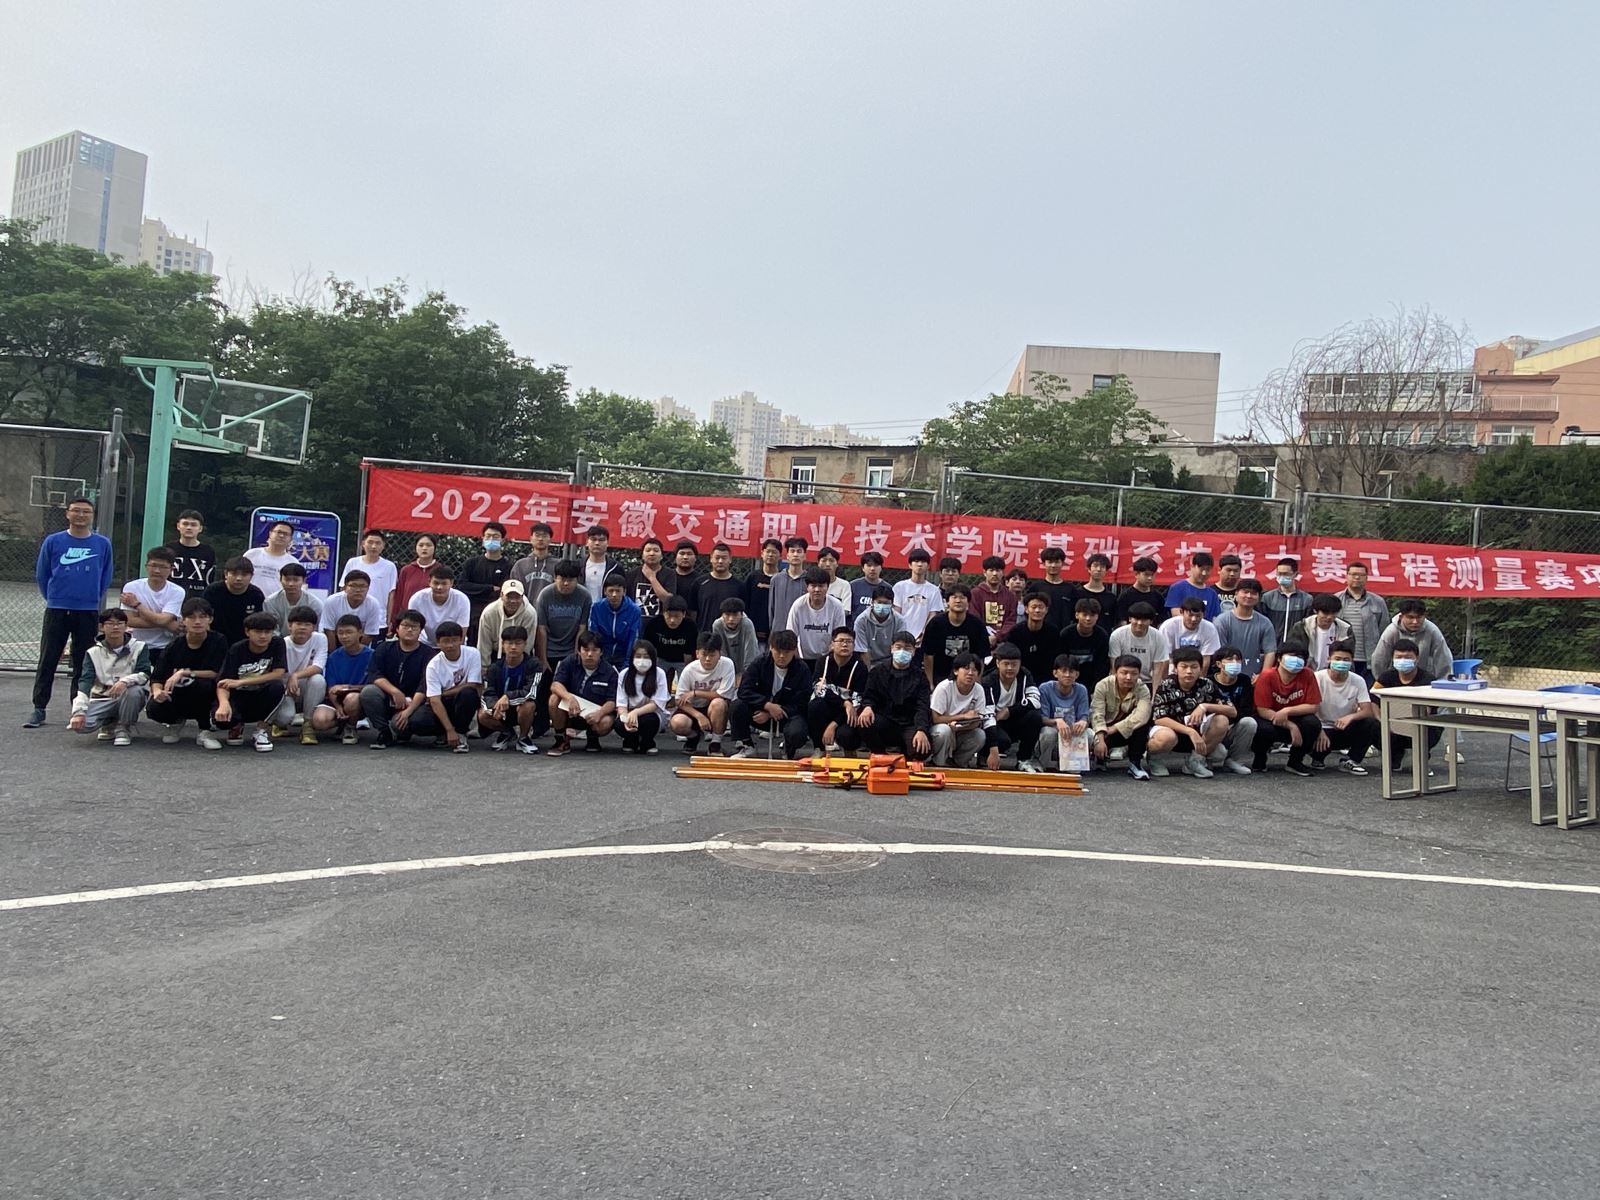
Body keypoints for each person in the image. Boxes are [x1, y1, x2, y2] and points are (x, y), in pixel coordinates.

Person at [27, 495, 114, 728]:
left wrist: (91, 598)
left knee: (83, 661)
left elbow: (105, 575)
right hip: (57, 609)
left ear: (92, 516)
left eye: (86, 511)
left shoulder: (102, 544)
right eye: (76, 510)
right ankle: (39, 708)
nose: (81, 515)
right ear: (68, 514)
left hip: (87, 610)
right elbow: (42, 574)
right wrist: (54, 597)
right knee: (48, 658)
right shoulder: (54, 541)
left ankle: (78, 708)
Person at [146, 599, 229, 748]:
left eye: (202, 617)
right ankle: (175, 722)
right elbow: (157, 676)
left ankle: (205, 730)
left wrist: (184, 673)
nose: (197, 622)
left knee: (203, 686)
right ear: (183, 620)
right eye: (191, 617)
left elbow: (217, 673)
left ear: (210, 619)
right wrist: (157, 692)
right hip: (179, 692)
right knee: (154, 707)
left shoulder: (218, 641)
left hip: (207, 691)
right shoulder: (174, 645)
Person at [838, 631, 932, 759]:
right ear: (891, 648)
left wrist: (921, 729)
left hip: (909, 724)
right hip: (885, 721)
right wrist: (868, 707)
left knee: (922, 749)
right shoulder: (878, 671)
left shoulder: (920, 676)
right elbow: (869, 695)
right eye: (898, 647)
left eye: (907, 648)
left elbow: (922, 706)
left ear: (914, 651)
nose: (902, 651)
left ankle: (906, 756)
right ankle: (880, 755)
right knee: (865, 721)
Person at [67, 609, 152, 747]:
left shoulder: (139, 647)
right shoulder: (93, 652)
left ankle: (124, 728)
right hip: (102, 697)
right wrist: (78, 711)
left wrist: (125, 681)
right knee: (81, 726)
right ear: (101, 627)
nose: (116, 627)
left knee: (134, 692)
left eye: (120, 623)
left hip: (127, 694)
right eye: (110, 623)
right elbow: (85, 681)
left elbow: (145, 674)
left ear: (126, 626)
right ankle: (108, 722)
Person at [1147, 646, 1234, 778]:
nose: (1189, 671)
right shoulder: (1166, 685)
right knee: (1166, 738)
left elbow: (1232, 711)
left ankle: (1195, 761)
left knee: (1222, 724)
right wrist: (1190, 731)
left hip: (1199, 733)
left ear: (1200, 668)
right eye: (1184, 666)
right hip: (1172, 731)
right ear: (1176, 668)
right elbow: (1159, 718)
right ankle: (1154, 759)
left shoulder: (1206, 684)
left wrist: (1204, 706)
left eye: (1194, 667)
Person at [730, 628, 815, 758]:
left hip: (787, 715)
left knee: (798, 731)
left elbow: (803, 701)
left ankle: (789, 749)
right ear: (771, 648)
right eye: (778, 651)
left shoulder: (802, 669)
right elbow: (744, 690)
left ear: (794, 651)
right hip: (759, 712)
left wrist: (774, 713)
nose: (781, 656)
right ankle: (746, 744)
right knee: (737, 706)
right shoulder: (759, 663)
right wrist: (767, 705)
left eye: (786, 652)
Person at [532, 559, 594, 734]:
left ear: (577, 580)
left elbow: (582, 628)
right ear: (555, 578)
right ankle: (541, 725)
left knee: (571, 688)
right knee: (544, 688)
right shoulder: (545, 595)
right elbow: (541, 629)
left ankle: (572, 726)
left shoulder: (584, 596)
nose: (566, 583)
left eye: (571, 580)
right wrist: (543, 658)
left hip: (570, 649)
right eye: (562, 579)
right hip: (550, 648)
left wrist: (576, 655)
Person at [361, 609, 437, 749]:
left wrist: (409, 710)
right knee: (369, 692)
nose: (410, 630)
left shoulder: (429, 654)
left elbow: (425, 684)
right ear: (397, 628)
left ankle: (405, 730)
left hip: (416, 701)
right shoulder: (384, 648)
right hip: (389, 697)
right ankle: (384, 732)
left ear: (421, 631)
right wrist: (394, 692)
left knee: (416, 721)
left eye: (414, 627)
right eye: (405, 625)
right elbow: (374, 674)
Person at [213, 612, 289, 753]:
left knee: (277, 686)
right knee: (221, 720)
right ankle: (236, 725)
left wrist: (241, 682)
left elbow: (279, 673)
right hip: (240, 696)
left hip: (262, 695)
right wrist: (223, 704)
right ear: (247, 632)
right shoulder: (237, 649)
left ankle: (261, 730)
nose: (263, 636)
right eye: (258, 632)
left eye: (267, 632)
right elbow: (223, 682)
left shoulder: (277, 644)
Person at [1250, 639, 1321, 776]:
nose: (1296, 660)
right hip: (1270, 719)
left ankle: (1295, 761)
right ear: (1279, 658)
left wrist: (1287, 711)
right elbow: (1262, 710)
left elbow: (1313, 706)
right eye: (1292, 655)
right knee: (1262, 728)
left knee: (1312, 723)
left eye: (1300, 657)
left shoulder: (1308, 674)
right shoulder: (1267, 676)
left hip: (1296, 718)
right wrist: (1290, 726)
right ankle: (1260, 758)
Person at [1371, 637, 1443, 772]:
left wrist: (1405, 724)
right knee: (1372, 726)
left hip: (1419, 723)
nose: (1403, 660)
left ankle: (1421, 756)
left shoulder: (1428, 679)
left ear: (1417, 658)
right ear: (1392, 658)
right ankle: (1394, 755)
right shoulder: (1386, 677)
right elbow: (1374, 698)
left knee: (1431, 728)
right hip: (1390, 723)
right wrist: (1382, 721)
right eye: (1399, 657)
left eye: (1408, 657)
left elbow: (1428, 709)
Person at [409, 620, 481, 753]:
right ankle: (444, 732)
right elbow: (434, 700)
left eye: (454, 640)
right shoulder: (433, 665)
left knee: (468, 693)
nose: (451, 645)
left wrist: (443, 693)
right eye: (446, 641)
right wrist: (449, 729)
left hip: (462, 700)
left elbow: (473, 684)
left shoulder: (473, 654)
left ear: (461, 640)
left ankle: (461, 733)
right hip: (443, 703)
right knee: (417, 721)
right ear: (438, 643)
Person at [1311, 639, 1381, 774]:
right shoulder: (1317, 678)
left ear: (1352, 661)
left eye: (1346, 660)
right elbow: (1310, 709)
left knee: (1371, 723)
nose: (1341, 663)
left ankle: (1352, 761)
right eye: (1337, 659)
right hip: (1321, 729)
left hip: (1344, 728)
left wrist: (1350, 717)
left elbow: (1367, 711)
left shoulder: (1358, 680)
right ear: (1329, 659)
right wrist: (1319, 730)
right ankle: (1317, 758)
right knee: (1308, 725)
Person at [548, 630, 619, 756]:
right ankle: (561, 740)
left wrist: (599, 713)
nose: (590, 654)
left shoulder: (610, 672)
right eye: (585, 650)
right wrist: (569, 698)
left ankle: (593, 738)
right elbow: (555, 685)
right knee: (554, 699)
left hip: (594, 713)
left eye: (595, 650)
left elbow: (612, 701)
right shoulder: (569, 662)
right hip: (570, 711)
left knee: (606, 722)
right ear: (579, 650)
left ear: (601, 652)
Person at [978, 642, 1044, 772]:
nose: (1010, 668)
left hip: (1013, 719)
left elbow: (1035, 701)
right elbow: (988, 717)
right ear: (998, 663)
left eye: (1014, 664)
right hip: (993, 723)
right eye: (1006, 664)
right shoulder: (988, 681)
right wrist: (993, 750)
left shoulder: (1025, 675)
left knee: (1035, 717)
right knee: (1002, 741)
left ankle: (1024, 759)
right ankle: (985, 755)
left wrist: (1009, 711)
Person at [669, 631, 735, 754]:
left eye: (712, 655)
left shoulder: (727, 664)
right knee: (677, 723)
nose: (708, 659)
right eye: (704, 655)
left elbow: (722, 694)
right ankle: (693, 736)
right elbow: (679, 700)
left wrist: (695, 692)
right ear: (697, 654)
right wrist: (699, 716)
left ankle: (715, 743)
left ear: (719, 654)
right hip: (692, 708)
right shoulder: (689, 670)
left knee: (719, 703)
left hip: (713, 707)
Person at [477, 624, 540, 753]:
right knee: (483, 714)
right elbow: (487, 693)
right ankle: (507, 733)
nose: (513, 647)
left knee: (529, 705)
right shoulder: (494, 667)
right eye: (509, 643)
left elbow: (531, 692)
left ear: (525, 644)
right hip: (501, 709)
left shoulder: (533, 664)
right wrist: (494, 706)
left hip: (523, 708)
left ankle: (523, 738)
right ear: (502, 644)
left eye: (518, 643)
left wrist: (508, 697)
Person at [270, 605, 327, 746]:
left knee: (318, 680)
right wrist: (289, 682)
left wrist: (295, 676)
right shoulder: (282, 643)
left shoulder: (320, 639)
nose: (302, 628)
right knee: (286, 717)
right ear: (289, 626)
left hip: (306, 685)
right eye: (298, 623)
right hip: (285, 687)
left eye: (307, 624)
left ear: (314, 627)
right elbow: (277, 672)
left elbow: (318, 667)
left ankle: (308, 725)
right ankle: (278, 724)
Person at [1091, 655, 1154, 780]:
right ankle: (1099, 758)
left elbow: (1142, 716)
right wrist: (1100, 739)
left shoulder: (1143, 689)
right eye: (1124, 673)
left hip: (1124, 729)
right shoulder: (1103, 685)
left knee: (1142, 724)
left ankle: (1135, 764)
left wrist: (1115, 728)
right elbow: (1097, 714)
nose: (1129, 677)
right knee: (1092, 729)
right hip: (1104, 729)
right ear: (1115, 672)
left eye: (1134, 674)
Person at [804, 626, 865, 753]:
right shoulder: (822, 662)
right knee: (815, 706)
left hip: (847, 714)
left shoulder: (860, 667)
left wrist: (834, 724)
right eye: (841, 641)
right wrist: (844, 702)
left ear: (854, 645)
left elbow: (857, 700)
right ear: (832, 644)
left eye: (849, 641)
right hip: (829, 707)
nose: (845, 644)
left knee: (846, 734)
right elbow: (819, 689)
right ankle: (819, 749)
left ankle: (850, 752)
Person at [316, 614, 373, 745]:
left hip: (360, 699)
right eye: (340, 633)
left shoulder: (372, 656)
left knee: (352, 699)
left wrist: (349, 687)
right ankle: (342, 722)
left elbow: (374, 686)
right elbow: (331, 687)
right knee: (320, 721)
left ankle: (351, 727)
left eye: (349, 632)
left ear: (360, 633)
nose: (344, 636)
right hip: (337, 698)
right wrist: (337, 706)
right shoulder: (334, 657)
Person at [929, 653, 991, 768]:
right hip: (942, 728)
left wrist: (959, 727)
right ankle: (939, 763)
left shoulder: (979, 690)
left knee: (980, 735)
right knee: (944, 731)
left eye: (974, 670)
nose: (970, 673)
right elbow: (936, 718)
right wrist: (962, 717)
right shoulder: (944, 687)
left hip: (963, 730)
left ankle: (959, 763)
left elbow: (977, 721)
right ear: (956, 671)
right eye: (966, 668)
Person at [119, 546, 185, 653]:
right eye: (153, 565)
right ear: (146, 566)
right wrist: (168, 624)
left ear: (171, 569)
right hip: (136, 645)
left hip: (165, 646)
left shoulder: (177, 591)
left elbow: (162, 620)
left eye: (163, 567)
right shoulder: (131, 587)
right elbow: (130, 620)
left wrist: (137, 605)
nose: (157, 571)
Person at [921, 584, 990, 686]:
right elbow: (928, 655)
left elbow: (981, 656)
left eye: (962, 597)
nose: (958, 601)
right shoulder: (935, 624)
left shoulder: (977, 625)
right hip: (940, 677)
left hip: (967, 677)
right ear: (947, 601)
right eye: (954, 597)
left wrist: (977, 682)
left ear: (968, 602)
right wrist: (930, 683)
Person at [1370, 598, 1454, 680]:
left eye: (1419, 617)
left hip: (1424, 678)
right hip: (1396, 679)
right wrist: (1382, 680)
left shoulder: (1432, 630)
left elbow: (1443, 658)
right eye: (1410, 617)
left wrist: (1442, 682)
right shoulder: (1391, 631)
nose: (1415, 622)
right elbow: (1379, 659)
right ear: (1401, 616)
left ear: (1424, 616)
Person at [1206, 647, 1257, 775]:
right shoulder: (1208, 682)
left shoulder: (1244, 680)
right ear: (1219, 664)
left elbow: (1246, 710)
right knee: (1219, 753)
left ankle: (1235, 760)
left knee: (1249, 722)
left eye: (1238, 659)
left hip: (1234, 724)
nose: (1234, 663)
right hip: (1214, 726)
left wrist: (1230, 720)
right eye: (1229, 659)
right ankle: (1205, 760)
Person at [1036, 655, 1090, 772]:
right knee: (1048, 733)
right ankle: (1044, 763)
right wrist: (1057, 721)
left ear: (1077, 674)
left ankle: (1074, 764)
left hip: (1072, 733)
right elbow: (1042, 718)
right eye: (1064, 671)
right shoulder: (1045, 688)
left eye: (1071, 671)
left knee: (1090, 734)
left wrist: (1083, 722)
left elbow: (1084, 716)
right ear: (1055, 673)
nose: (1067, 675)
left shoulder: (1081, 690)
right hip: (1053, 732)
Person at [615, 639, 670, 755]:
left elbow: (656, 704)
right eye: (638, 656)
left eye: (646, 657)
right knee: (619, 724)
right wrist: (626, 717)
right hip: (629, 713)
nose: (642, 660)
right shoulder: (624, 674)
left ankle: (648, 742)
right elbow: (621, 703)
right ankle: (630, 740)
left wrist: (636, 712)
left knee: (649, 721)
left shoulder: (659, 674)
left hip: (651, 713)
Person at [456, 521, 513, 633]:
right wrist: (490, 588)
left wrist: (477, 589)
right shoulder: (471, 563)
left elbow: (503, 591)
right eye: (488, 536)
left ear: (502, 540)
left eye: (495, 537)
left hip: (496, 613)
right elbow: (463, 586)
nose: (491, 539)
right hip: (472, 614)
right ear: (483, 539)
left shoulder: (508, 566)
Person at [1212, 578, 1278, 676]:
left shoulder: (1265, 623)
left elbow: (1270, 652)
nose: (1249, 596)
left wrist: (1263, 676)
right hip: (1227, 676)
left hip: (1254, 677)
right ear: (1236, 594)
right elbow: (1219, 652)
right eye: (1245, 592)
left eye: (1253, 593)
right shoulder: (1222, 621)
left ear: (1259, 597)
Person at [787, 569, 849, 669]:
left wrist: (829, 660)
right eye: (813, 586)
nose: (817, 590)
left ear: (827, 587)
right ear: (807, 587)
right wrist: (798, 662)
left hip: (828, 658)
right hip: (803, 658)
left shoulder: (837, 606)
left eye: (821, 586)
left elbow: (839, 636)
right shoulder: (798, 606)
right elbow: (791, 636)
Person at [1338, 561, 1390, 680]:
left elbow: (1384, 630)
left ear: (1366, 578)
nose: (1357, 577)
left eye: (1361, 575)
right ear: (1346, 576)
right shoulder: (1336, 599)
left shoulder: (1378, 601)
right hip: (1343, 658)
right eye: (1353, 574)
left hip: (1369, 659)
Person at [203, 556, 266, 647]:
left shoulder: (256, 595)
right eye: (234, 574)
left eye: (244, 575)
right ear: (226, 574)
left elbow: (258, 624)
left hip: (244, 644)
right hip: (215, 642)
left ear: (251, 576)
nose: (239, 578)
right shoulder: (212, 591)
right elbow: (204, 618)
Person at [339, 529, 399, 627]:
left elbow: (391, 595)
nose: (373, 546)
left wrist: (388, 621)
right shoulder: (353, 562)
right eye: (370, 542)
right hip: (352, 617)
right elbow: (343, 589)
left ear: (383, 546)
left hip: (379, 620)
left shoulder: (389, 566)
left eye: (378, 543)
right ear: (363, 544)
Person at [1001, 591, 1060, 685]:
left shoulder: (1053, 632)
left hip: (1046, 679)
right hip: (1020, 679)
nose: (1037, 610)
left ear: (1046, 610)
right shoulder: (1015, 632)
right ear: (1026, 609)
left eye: (1041, 607)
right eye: (1033, 607)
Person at [1108, 602, 1169, 688]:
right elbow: (1114, 666)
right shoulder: (1117, 635)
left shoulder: (1158, 637)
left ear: (1151, 621)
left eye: (1144, 620)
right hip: (1123, 680)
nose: (1139, 623)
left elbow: (1157, 670)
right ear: (1130, 619)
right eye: (1136, 619)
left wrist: (1155, 694)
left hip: (1147, 681)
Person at [476, 578, 537, 665]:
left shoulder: (530, 613)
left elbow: (527, 644)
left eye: (517, 597)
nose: (513, 601)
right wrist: (484, 666)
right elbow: (484, 643)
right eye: (509, 597)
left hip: (520, 656)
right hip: (495, 653)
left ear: (522, 597)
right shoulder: (489, 613)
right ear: (501, 595)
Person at [891, 547, 945, 646]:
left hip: (923, 639)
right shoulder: (899, 587)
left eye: (923, 562)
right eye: (916, 561)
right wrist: (901, 634)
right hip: (901, 637)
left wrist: (924, 634)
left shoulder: (934, 590)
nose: (920, 564)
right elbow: (896, 612)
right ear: (910, 565)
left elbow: (933, 614)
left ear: (928, 566)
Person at [407, 564, 471, 646]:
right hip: (424, 644)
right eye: (436, 583)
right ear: (429, 582)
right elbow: (412, 627)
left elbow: (462, 631)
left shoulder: (462, 600)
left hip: (452, 645)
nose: (439, 587)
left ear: (451, 583)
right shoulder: (417, 599)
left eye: (444, 583)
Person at [641, 593, 697, 684]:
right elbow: (648, 648)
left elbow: (689, 655)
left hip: (681, 661)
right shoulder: (654, 624)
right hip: (660, 658)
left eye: (676, 616)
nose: (672, 620)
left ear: (684, 614)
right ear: (663, 613)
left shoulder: (690, 627)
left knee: (686, 681)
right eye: (669, 616)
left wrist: (686, 673)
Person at [1058, 597, 1111, 693]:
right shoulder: (1066, 634)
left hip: (1093, 682)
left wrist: (1094, 688)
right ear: (1076, 615)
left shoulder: (1102, 636)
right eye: (1084, 615)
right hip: (1069, 679)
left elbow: (1102, 666)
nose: (1088, 618)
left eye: (1092, 615)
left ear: (1097, 617)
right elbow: (1061, 661)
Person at [320, 568, 384, 647]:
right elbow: (329, 630)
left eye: (363, 586)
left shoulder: (373, 604)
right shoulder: (332, 601)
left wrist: (357, 652)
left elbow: (369, 634)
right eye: (353, 586)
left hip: (360, 641)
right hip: (336, 638)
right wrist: (334, 653)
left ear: (368, 588)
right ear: (345, 588)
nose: (358, 590)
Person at [590, 572, 642, 668]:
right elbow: (594, 634)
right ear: (605, 591)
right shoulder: (597, 608)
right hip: (603, 653)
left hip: (623, 654)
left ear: (624, 592)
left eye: (618, 591)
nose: (614, 595)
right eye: (611, 591)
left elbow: (633, 638)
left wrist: (627, 664)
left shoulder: (634, 611)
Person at [162, 509, 215, 600]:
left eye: (193, 525)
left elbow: (209, 579)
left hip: (197, 598)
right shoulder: (168, 549)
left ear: (200, 528)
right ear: (178, 526)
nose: (189, 528)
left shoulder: (208, 551)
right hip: (170, 596)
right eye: (185, 524)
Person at [391, 534, 441, 629]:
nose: (424, 548)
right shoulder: (406, 570)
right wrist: (394, 620)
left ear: (434, 548)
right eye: (421, 545)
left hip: (432, 618)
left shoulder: (440, 569)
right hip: (408, 619)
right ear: (415, 548)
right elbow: (399, 596)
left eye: (428, 545)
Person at [264, 561, 325, 636]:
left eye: (296, 580)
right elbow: (271, 629)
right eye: (287, 580)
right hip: (278, 641)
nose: (291, 584)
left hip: (307, 640)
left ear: (304, 580)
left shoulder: (314, 603)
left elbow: (316, 630)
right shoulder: (270, 602)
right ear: (280, 580)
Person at [1260, 557, 1314, 640]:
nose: (1282, 577)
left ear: (1295, 574)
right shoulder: (1268, 597)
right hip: (1273, 644)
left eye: (1286, 574)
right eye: (1279, 574)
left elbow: (1308, 625)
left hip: (1296, 644)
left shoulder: (1307, 599)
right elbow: (1262, 623)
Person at [694, 543, 744, 632]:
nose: (720, 561)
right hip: (704, 634)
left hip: (729, 636)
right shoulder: (700, 583)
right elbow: (693, 611)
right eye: (717, 558)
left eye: (724, 558)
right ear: (711, 559)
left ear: (730, 560)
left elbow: (742, 614)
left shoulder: (739, 586)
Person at [853, 583, 906, 668]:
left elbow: (899, 648)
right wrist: (869, 672)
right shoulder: (861, 621)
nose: (882, 606)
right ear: (872, 602)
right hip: (868, 662)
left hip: (891, 663)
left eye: (886, 603)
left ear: (892, 604)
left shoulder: (900, 621)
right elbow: (863, 650)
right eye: (879, 602)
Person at [1296, 593, 1352, 671]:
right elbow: (1296, 652)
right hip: (1308, 671)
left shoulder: (1345, 628)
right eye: (1325, 613)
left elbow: (1348, 655)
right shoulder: (1302, 627)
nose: (1329, 617)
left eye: (1333, 613)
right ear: (1315, 611)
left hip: (1334, 672)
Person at [970, 555, 1019, 643]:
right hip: (979, 639)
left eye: (998, 570)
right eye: (991, 570)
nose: (995, 574)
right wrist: (985, 636)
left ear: (1003, 573)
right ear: (984, 572)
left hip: (1004, 642)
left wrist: (997, 637)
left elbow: (1011, 621)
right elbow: (974, 618)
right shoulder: (975, 594)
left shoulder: (1011, 596)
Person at [767, 536, 810, 635]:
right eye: (792, 551)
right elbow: (771, 609)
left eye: (799, 551)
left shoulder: (810, 580)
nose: (795, 554)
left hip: (802, 633)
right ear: (787, 555)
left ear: (804, 555)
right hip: (778, 632)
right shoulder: (776, 579)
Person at [244, 519, 300, 595]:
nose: (281, 536)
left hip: (276, 601)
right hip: (249, 598)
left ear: (290, 539)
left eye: (286, 534)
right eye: (279, 532)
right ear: (270, 534)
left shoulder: (293, 562)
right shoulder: (252, 554)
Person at [743, 538, 782, 643]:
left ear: (780, 556)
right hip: (753, 633)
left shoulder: (782, 579)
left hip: (777, 634)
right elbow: (745, 602)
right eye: (768, 551)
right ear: (762, 554)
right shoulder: (753, 577)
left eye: (774, 552)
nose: (770, 555)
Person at [626, 538, 674, 620]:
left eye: (656, 550)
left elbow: (668, 600)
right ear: (642, 555)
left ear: (661, 556)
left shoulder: (670, 574)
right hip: (635, 621)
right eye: (648, 550)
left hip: (660, 622)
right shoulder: (632, 574)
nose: (652, 553)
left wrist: (652, 578)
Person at [714, 597, 760, 681]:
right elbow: (721, 651)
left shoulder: (747, 624)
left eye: (735, 615)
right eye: (727, 615)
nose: (731, 619)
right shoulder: (717, 625)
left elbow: (751, 651)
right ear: (722, 615)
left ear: (741, 614)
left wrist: (745, 675)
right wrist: (728, 673)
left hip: (746, 667)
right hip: (727, 669)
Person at [1113, 557, 1168, 626]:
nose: (1150, 578)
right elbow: (1122, 621)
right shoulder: (1125, 596)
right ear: (1136, 574)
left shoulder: (1158, 597)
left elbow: (1162, 621)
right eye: (1146, 574)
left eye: (1152, 575)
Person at [1165, 552, 1220, 621]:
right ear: (1192, 566)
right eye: (1201, 569)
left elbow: (1215, 618)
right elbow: (1176, 614)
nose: (1204, 573)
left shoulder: (1212, 594)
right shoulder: (1177, 588)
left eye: (1208, 570)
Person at [1073, 553, 1118, 635]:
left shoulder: (1111, 597)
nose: (1099, 569)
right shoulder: (1077, 593)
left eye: (1102, 567)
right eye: (1095, 566)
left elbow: (1112, 621)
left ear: (1106, 571)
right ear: (1089, 569)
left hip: (1102, 638)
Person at [509, 522, 559, 595]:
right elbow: (514, 591)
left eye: (544, 536)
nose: (540, 539)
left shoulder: (558, 565)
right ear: (531, 539)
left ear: (550, 540)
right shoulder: (520, 565)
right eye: (537, 535)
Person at [1034, 547, 1074, 627]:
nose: (1053, 565)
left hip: (1063, 631)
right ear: (1044, 564)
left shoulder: (1071, 589)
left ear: (1062, 563)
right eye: (1050, 562)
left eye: (1056, 562)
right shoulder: (1036, 587)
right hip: (1040, 630)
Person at [581, 525, 622, 602]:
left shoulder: (616, 568)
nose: (597, 543)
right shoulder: (578, 566)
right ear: (587, 542)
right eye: (593, 539)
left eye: (601, 540)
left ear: (607, 543)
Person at [849, 551, 887, 622]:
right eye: (869, 565)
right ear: (863, 568)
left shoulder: (888, 588)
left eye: (876, 565)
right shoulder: (852, 586)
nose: (872, 568)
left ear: (881, 567)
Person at [815, 546, 854, 613]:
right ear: (818, 563)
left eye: (831, 561)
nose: (828, 564)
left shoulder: (844, 585)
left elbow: (846, 610)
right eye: (824, 560)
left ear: (837, 564)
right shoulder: (812, 584)